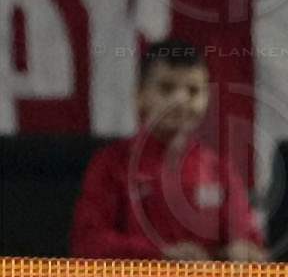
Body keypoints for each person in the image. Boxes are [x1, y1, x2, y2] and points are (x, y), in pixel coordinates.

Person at [69, 38, 260, 262]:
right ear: (139, 95)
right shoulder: (112, 165)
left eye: (193, 91)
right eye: (167, 88)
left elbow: (251, 241)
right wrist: (159, 255)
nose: (181, 101)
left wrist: (243, 251)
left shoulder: (220, 170)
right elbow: (87, 243)